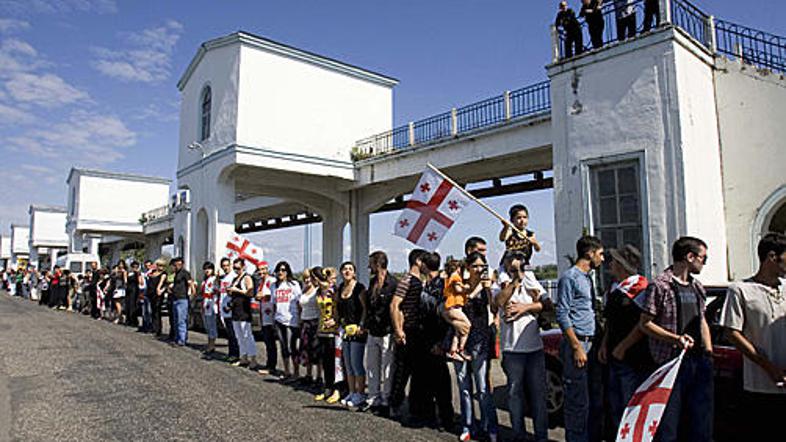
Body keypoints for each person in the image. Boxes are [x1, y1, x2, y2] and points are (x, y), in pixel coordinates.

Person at [638, 236, 713, 442]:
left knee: (700, 424)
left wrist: (708, 353)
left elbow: (702, 320)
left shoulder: (697, 287)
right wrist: (675, 339)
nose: (704, 263)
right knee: (669, 426)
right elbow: (645, 324)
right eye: (703, 258)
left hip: (697, 362)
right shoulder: (660, 285)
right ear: (690, 257)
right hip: (669, 363)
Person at [719, 233, 786, 439]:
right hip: (760, 385)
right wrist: (768, 366)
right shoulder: (740, 290)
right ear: (772, 257)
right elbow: (732, 332)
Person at [494, 252, 550, 442]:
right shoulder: (500, 281)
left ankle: (541, 436)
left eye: (520, 262)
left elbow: (547, 304)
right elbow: (498, 302)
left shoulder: (531, 279)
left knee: (538, 394)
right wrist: (515, 281)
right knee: (514, 393)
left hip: (534, 346)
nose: (516, 265)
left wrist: (525, 308)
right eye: (511, 261)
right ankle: (519, 435)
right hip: (512, 349)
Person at [596, 245, 652, 433]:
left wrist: (623, 346)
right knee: (615, 404)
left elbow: (643, 324)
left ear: (622, 264)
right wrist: (605, 344)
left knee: (630, 405)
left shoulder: (640, 287)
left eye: (614, 260)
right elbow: (610, 321)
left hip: (632, 357)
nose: (610, 264)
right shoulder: (614, 288)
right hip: (614, 355)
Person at [556, 235, 604, 442]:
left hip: (592, 342)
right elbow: (562, 314)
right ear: (589, 254)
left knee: (593, 398)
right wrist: (576, 346)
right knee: (577, 401)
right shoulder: (570, 278)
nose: (602, 258)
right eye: (600, 254)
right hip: (578, 343)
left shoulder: (587, 278)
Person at [452, 251, 499, 442]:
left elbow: (494, 308)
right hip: (460, 338)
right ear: (468, 267)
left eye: (482, 266)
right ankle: (467, 425)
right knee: (463, 385)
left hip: (480, 338)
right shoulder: (459, 284)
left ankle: (491, 426)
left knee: (482, 387)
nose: (479, 270)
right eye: (475, 266)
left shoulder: (487, 286)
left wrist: (488, 290)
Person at [416, 251, 455, 431]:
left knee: (441, 383)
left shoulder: (441, 285)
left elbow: (444, 314)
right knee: (426, 380)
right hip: (424, 337)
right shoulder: (427, 284)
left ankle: (446, 419)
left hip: (437, 337)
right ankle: (428, 415)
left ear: (425, 265)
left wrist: (441, 342)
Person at [361, 251, 397, 416]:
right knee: (371, 366)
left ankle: (386, 400)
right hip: (373, 330)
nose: (369, 267)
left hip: (387, 332)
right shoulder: (372, 282)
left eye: (371, 263)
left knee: (387, 369)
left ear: (378, 263)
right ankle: (372, 398)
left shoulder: (393, 283)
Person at [337, 261, 368, 408]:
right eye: (344, 269)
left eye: (350, 269)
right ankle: (351, 391)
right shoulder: (340, 288)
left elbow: (365, 309)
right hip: (345, 330)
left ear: (354, 273)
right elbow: (338, 309)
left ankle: (360, 393)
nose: (347, 271)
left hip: (357, 331)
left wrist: (361, 325)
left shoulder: (359, 288)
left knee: (356, 364)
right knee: (348, 365)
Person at [313, 266, 341, 403]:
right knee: (325, 362)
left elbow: (340, 309)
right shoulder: (318, 292)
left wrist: (335, 320)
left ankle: (337, 389)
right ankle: (327, 387)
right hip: (322, 330)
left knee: (336, 363)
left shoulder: (335, 291)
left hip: (334, 331)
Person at [228, 257, 260, 370]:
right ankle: (243, 357)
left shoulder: (246, 277)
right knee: (239, 336)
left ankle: (253, 359)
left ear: (243, 267)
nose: (236, 270)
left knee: (247, 335)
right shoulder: (235, 279)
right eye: (234, 268)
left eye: (238, 268)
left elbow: (250, 292)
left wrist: (237, 290)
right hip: (235, 310)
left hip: (244, 310)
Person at [271, 260, 302, 380]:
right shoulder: (274, 286)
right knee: (283, 347)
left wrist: (299, 319)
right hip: (279, 319)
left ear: (287, 272)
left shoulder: (294, 284)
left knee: (292, 347)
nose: (280, 272)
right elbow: (274, 304)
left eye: (283, 270)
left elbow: (299, 303)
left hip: (291, 320)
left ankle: (296, 372)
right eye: (278, 270)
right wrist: (274, 319)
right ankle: (286, 371)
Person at [443, 259, 472, 361]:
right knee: (467, 326)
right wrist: (467, 288)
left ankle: (453, 350)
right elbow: (458, 289)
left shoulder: (448, 277)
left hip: (453, 306)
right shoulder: (455, 276)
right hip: (453, 306)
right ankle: (461, 349)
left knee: (458, 330)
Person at [252, 261, 277, 374]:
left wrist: (264, 296)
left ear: (267, 269)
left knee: (271, 342)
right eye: (259, 270)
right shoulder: (261, 282)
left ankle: (271, 366)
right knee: (267, 342)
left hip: (271, 315)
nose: (261, 272)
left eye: (263, 269)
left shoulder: (272, 281)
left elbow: (275, 295)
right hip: (264, 315)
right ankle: (269, 364)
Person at [298, 267, 321, 387]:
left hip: (315, 322)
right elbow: (300, 307)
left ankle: (319, 376)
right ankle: (308, 374)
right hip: (305, 322)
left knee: (316, 350)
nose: (307, 280)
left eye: (309, 278)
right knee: (306, 350)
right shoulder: (303, 290)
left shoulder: (317, 291)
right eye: (305, 278)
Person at [218, 257, 240, 362]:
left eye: (227, 265)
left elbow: (235, 294)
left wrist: (231, 305)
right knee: (229, 333)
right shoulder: (224, 278)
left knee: (233, 333)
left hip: (230, 309)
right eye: (223, 266)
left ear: (230, 265)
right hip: (224, 308)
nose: (225, 267)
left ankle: (236, 354)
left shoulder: (234, 277)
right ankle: (231, 353)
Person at [169, 257, 194, 346]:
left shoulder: (185, 273)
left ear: (182, 264)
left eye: (179, 264)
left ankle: (182, 340)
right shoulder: (176, 274)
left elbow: (190, 283)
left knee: (181, 320)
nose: (177, 266)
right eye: (175, 265)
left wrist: (192, 293)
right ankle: (177, 338)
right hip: (175, 298)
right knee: (175, 320)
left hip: (182, 299)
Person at [200, 261, 219, 355]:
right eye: (205, 269)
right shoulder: (205, 280)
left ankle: (212, 345)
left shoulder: (214, 279)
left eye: (209, 269)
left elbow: (217, 289)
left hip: (211, 303)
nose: (207, 270)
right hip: (205, 303)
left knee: (211, 325)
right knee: (207, 325)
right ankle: (209, 343)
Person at [148, 259, 167, 337]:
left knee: (157, 311)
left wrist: (159, 289)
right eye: (159, 265)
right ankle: (153, 327)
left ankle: (158, 330)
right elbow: (148, 275)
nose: (160, 267)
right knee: (152, 311)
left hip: (158, 295)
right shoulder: (152, 273)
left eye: (162, 265)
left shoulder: (164, 274)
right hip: (151, 294)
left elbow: (162, 283)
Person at [124, 261, 142, 327]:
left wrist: (137, 273)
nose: (134, 268)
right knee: (127, 304)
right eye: (133, 267)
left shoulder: (138, 273)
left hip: (135, 289)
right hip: (128, 289)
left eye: (136, 267)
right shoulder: (128, 272)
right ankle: (128, 320)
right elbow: (125, 281)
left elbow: (140, 282)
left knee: (133, 305)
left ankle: (134, 321)